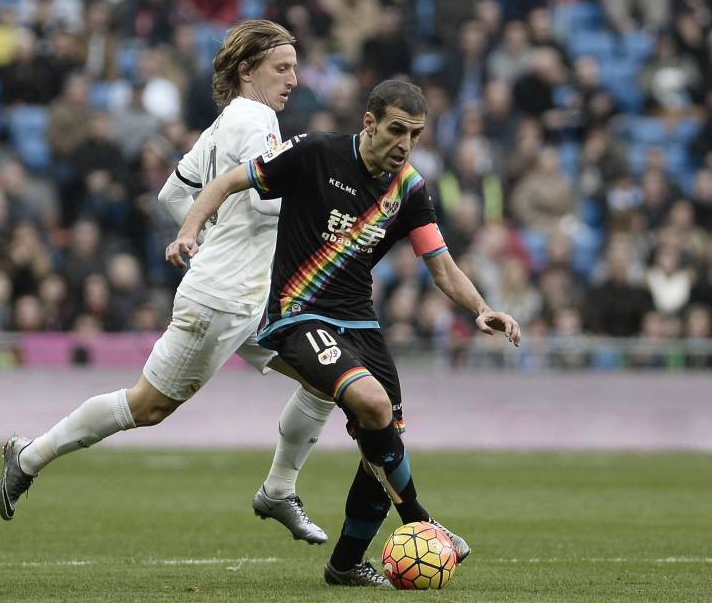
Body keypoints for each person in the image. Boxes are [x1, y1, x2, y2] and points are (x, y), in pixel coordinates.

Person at [166, 80, 522, 587]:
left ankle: (347, 564)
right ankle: (420, 521)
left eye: (415, 134)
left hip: (360, 323)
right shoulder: (315, 154)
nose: (404, 143)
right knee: (373, 407)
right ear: (370, 123)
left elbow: (441, 266)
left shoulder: (409, 188)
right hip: (299, 313)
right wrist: (188, 230)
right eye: (397, 130)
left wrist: (482, 308)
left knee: (385, 443)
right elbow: (226, 183)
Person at [0, 20, 334, 546]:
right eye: (281, 68)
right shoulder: (258, 118)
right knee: (146, 407)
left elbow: (175, 195)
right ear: (247, 71)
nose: (293, 79)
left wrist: (211, 234)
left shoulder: (223, 124)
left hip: (255, 299)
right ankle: (30, 454)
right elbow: (267, 201)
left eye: (295, 68)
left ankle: (278, 490)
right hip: (224, 297)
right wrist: (320, 193)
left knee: (328, 378)